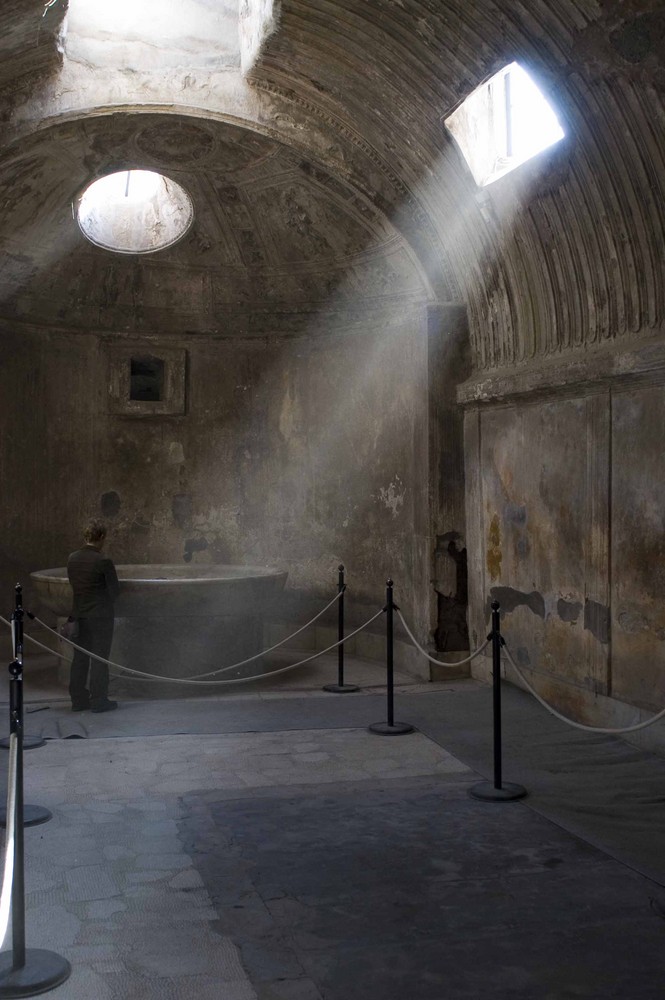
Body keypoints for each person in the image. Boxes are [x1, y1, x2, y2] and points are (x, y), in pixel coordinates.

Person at [66, 519, 120, 713]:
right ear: (102, 537)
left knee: (80, 658)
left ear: (85, 536)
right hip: (100, 617)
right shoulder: (103, 561)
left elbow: (75, 587)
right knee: (99, 658)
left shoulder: (72, 558)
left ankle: (78, 700)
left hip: (79, 615)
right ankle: (98, 700)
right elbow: (114, 592)